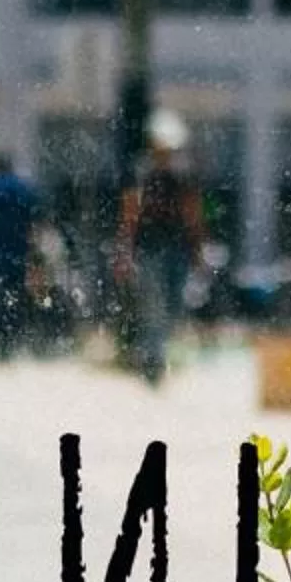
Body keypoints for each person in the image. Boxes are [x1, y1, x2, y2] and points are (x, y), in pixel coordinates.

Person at [118, 111, 204, 384]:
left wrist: (197, 246)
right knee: (153, 303)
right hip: (149, 247)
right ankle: (152, 360)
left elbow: (192, 211)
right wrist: (125, 248)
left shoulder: (182, 174)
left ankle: (155, 352)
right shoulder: (142, 172)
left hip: (175, 246)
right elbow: (131, 211)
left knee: (174, 303)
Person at [0, 154, 40, 354]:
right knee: (16, 287)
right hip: (18, 244)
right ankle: (13, 330)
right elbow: (34, 213)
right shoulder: (23, 187)